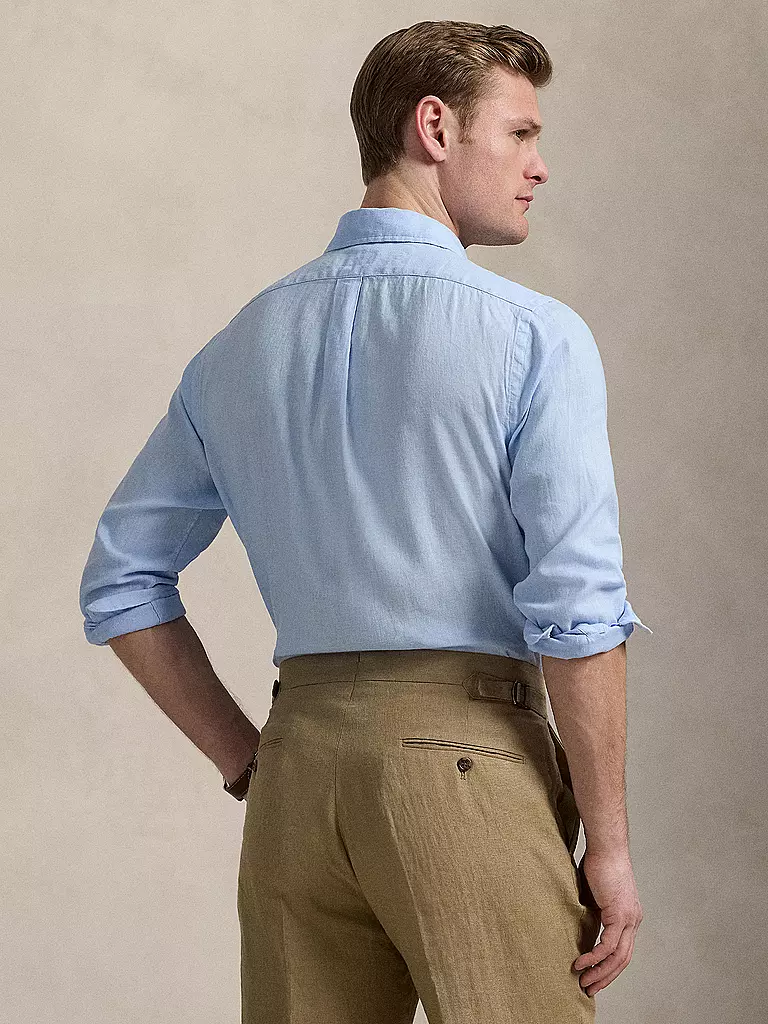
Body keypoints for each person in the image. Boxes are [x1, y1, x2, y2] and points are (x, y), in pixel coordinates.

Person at [78, 19, 651, 1024]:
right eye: (520, 134)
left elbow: (120, 581)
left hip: (298, 780)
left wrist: (249, 759)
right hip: (467, 765)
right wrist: (608, 844)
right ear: (435, 126)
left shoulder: (239, 347)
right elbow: (578, 611)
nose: (540, 166)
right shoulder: (533, 337)